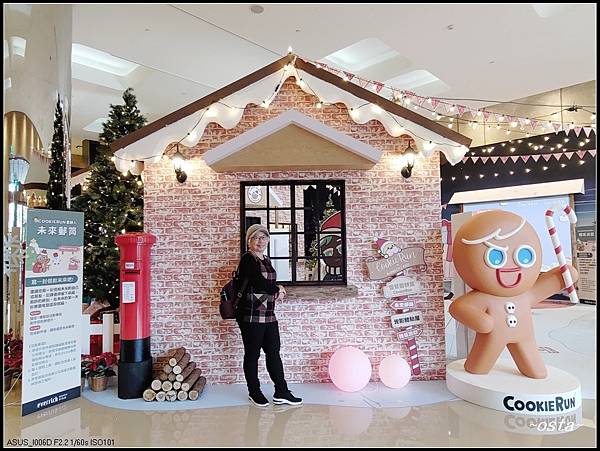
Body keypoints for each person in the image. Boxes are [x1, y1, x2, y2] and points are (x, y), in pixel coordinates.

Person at [236, 223, 303, 407]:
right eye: (256, 237)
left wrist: (277, 288)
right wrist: (278, 288)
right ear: (249, 240)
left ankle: (281, 391)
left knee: (274, 353)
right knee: (252, 355)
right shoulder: (247, 259)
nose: (260, 240)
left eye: (263, 237)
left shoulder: (266, 259)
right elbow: (258, 283)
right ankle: (254, 391)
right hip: (251, 316)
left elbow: (266, 283)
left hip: (269, 315)